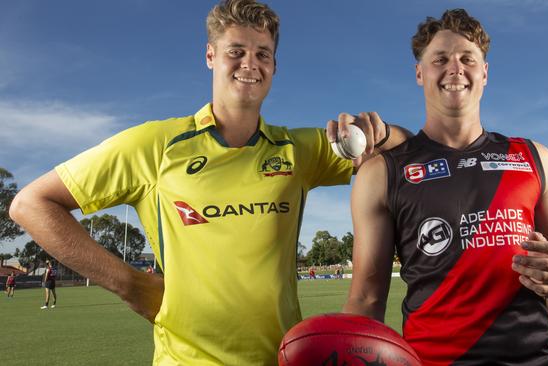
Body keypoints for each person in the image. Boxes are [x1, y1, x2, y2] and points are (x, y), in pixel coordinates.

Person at [9, 1, 409, 364]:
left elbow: (404, 148)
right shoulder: (155, 145)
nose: (250, 64)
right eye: (236, 52)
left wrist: (379, 129)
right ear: (210, 56)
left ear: (274, 66)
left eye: (262, 54)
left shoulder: (297, 149)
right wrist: (130, 284)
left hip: (281, 359)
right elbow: (30, 204)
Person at [343, 9, 548, 365]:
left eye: (467, 59)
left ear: (485, 73)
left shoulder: (535, 158)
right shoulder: (382, 173)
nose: (455, 69)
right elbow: (366, 299)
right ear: (419, 72)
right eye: (440, 59)